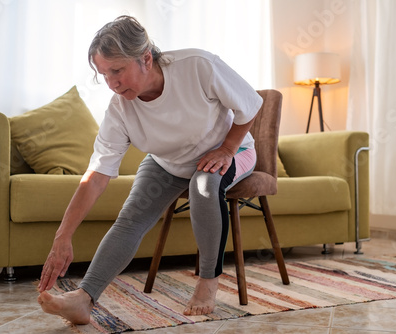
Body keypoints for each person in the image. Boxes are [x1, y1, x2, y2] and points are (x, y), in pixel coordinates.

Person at [37, 15, 262, 324]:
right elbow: (95, 178)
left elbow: (250, 104)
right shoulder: (119, 110)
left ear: (145, 58)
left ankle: (208, 279)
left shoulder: (197, 65)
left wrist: (226, 148)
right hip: (167, 162)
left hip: (231, 151)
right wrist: (63, 236)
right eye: (104, 74)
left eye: (117, 70)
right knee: (130, 218)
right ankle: (84, 298)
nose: (112, 83)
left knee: (204, 185)